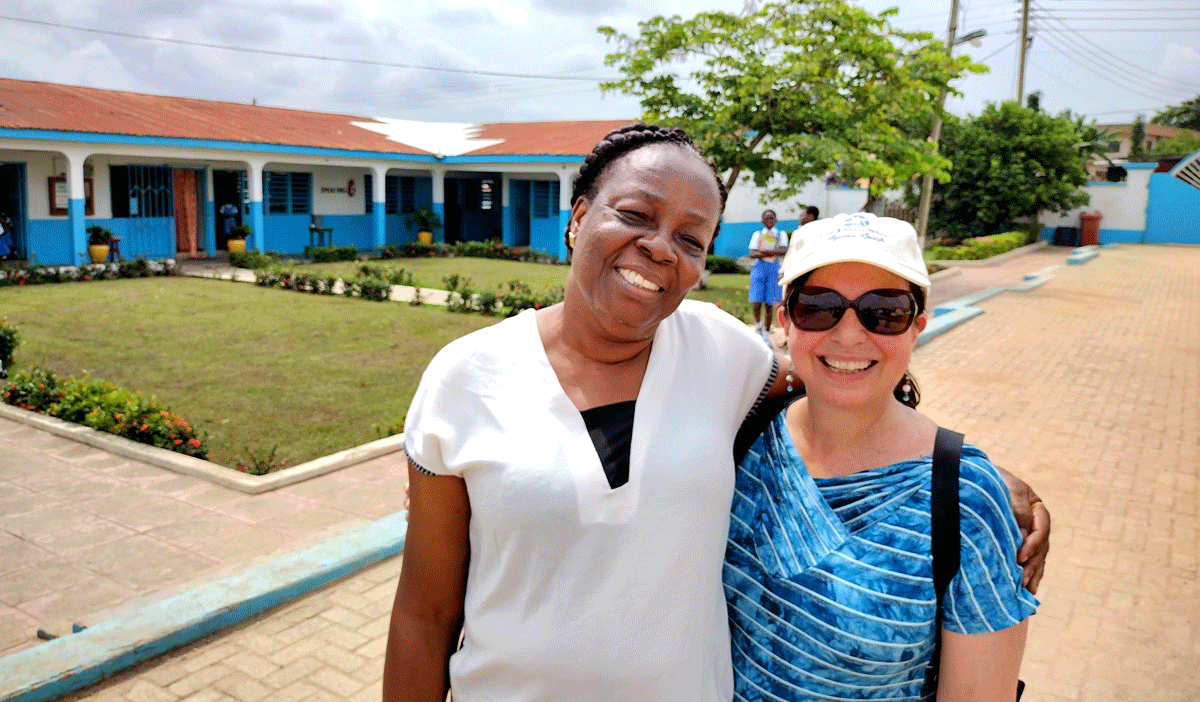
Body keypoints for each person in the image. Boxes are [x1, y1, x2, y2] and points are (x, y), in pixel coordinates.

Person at [384, 125, 1049, 702]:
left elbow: (842, 381)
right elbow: (424, 613)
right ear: (579, 215)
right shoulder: (465, 378)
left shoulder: (720, 350)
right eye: (635, 214)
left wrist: (977, 480)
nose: (659, 247)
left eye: (691, 238)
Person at [725, 213, 1037, 700]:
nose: (849, 335)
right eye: (819, 307)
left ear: (917, 327)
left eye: (884, 311)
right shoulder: (742, 431)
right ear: (786, 320)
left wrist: (978, 480)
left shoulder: (967, 499)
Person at [748, 209, 787, 345]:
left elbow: (783, 251)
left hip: (773, 270)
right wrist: (773, 252)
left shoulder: (780, 234)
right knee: (756, 301)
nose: (769, 220)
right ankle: (759, 324)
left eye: (772, 218)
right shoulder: (757, 234)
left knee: (770, 303)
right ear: (762, 221)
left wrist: (764, 252)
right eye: (767, 218)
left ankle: (766, 333)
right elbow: (752, 253)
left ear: (776, 220)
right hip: (759, 268)